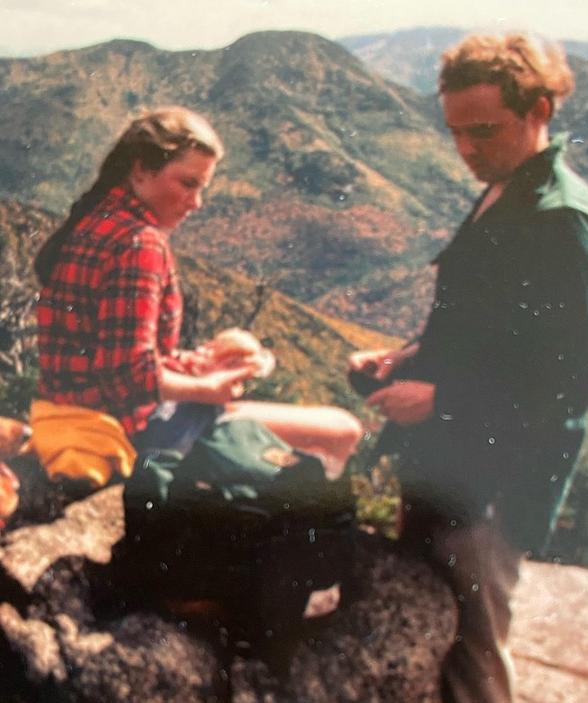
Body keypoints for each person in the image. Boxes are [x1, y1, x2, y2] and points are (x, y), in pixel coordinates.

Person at [349, 33, 588, 703]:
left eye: (484, 131)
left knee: (473, 667)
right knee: (441, 644)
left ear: (540, 111)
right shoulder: (506, 186)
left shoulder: (560, 218)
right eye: (456, 131)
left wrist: (442, 399)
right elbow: (485, 330)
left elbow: (561, 386)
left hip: (492, 483)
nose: (465, 149)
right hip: (448, 462)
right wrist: (406, 358)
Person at [34, 106, 361, 479]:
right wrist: (209, 388)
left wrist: (193, 366)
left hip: (72, 414)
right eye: (188, 184)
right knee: (340, 431)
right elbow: (129, 378)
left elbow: (113, 356)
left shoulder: (97, 222)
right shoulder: (140, 244)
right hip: (128, 429)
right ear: (141, 170)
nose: (197, 203)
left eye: (201, 188)